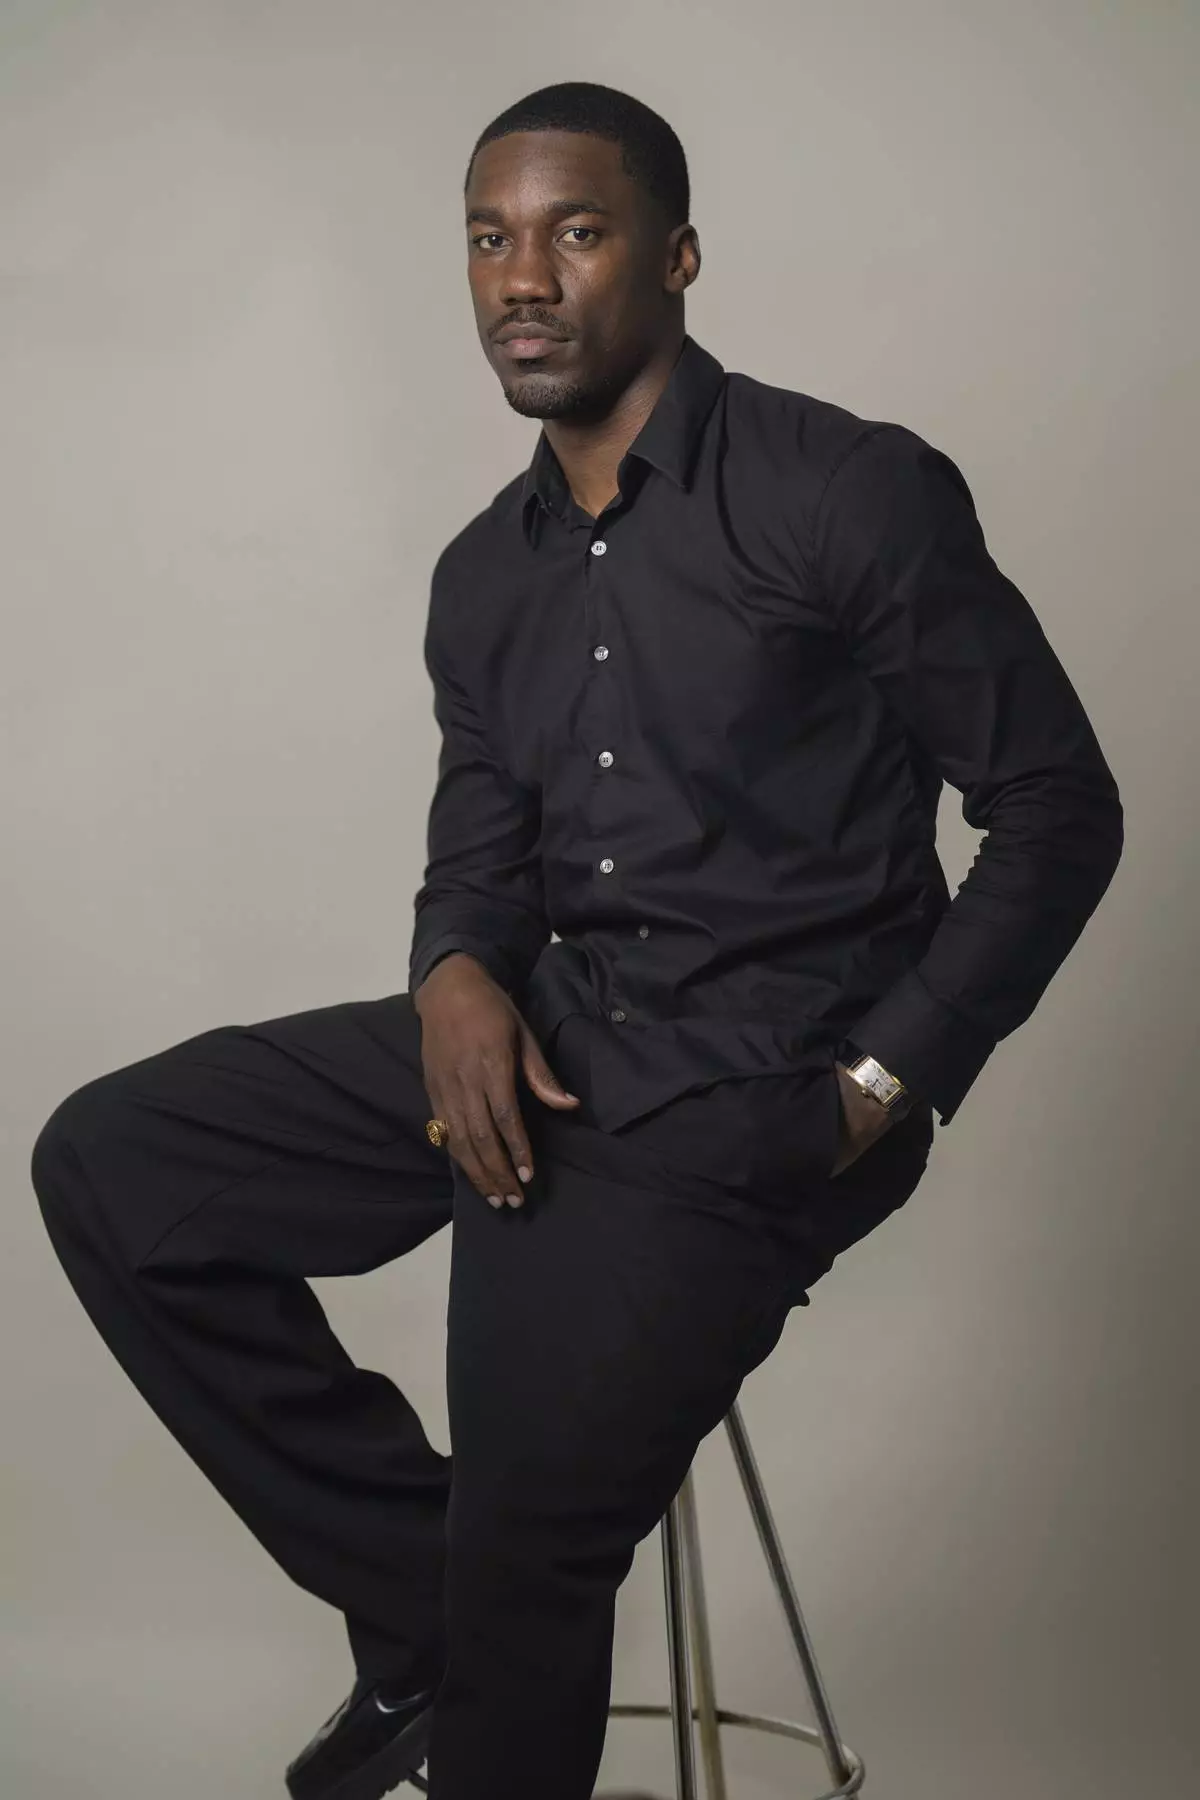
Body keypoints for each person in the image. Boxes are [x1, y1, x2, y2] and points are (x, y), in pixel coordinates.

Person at [30, 78, 1124, 1800]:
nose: (522, 278)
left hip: (763, 1095)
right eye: (490, 238)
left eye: (576, 231)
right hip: (553, 1037)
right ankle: (427, 1600)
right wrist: (455, 973)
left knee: (532, 1541)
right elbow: (480, 856)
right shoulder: (487, 574)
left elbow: (1059, 807)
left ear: (676, 258)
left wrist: (876, 1083)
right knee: (115, 1162)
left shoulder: (849, 492)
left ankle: (478, 1616)